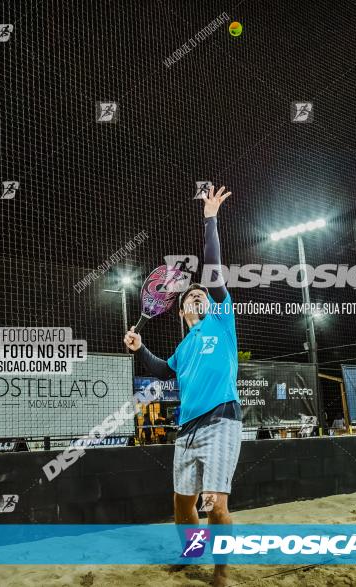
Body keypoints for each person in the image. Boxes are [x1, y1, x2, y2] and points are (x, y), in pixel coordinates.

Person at [124, 185, 239, 587]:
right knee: (182, 504)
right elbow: (160, 371)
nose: (196, 296)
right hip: (186, 430)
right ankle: (190, 554)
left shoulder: (222, 321)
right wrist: (141, 348)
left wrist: (210, 218)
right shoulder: (184, 345)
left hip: (221, 420)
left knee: (215, 502)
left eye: (200, 294)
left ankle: (222, 571)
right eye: (190, 296)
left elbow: (212, 269)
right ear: (181, 309)